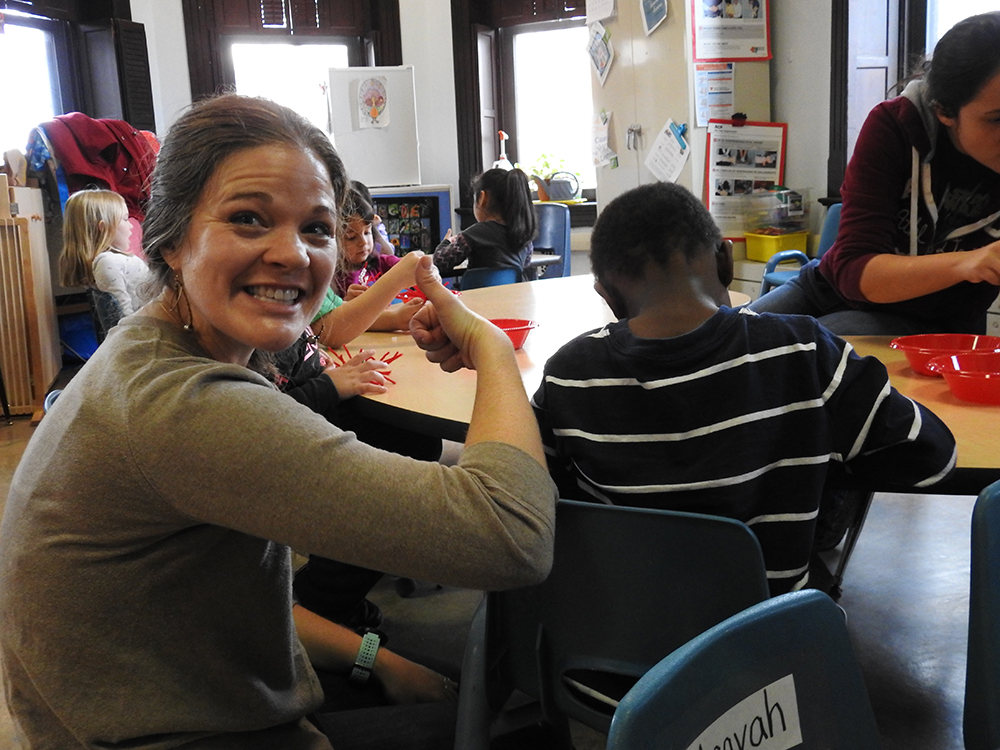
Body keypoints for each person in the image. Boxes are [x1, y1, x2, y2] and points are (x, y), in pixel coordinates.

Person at [0, 94, 556, 749]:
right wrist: (492, 347)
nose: (292, 254)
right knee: (520, 727)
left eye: (316, 228)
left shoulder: (147, 350)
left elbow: (220, 600)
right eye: (248, 218)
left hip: (142, 703)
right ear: (173, 240)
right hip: (166, 731)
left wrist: (378, 657)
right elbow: (512, 535)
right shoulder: (188, 405)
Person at [531, 182, 956, 596]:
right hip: (766, 646)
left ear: (606, 294)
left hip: (615, 645)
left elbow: (538, 500)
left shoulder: (568, 376)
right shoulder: (804, 351)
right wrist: (819, 460)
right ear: (726, 259)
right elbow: (932, 454)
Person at [750, 12, 1000, 335]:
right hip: (828, 288)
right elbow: (856, 270)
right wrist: (970, 262)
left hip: (929, 326)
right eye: (996, 120)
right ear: (943, 110)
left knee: (797, 357)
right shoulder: (894, 127)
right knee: (721, 339)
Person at [58, 188, 150, 319]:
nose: (130, 225)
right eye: (125, 219)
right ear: (103, 228)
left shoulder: (112, 260)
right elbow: (125, 317)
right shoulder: (107, 263)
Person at [432, 168, 537, 283]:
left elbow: (439, 263)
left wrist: (446, 242)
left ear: (482, 198)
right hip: (512, 298)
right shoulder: (524, 235)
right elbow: (526, 263)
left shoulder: (473, 234)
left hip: (475, 299)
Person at [334, 184, 400, 298]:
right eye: (352, 237)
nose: (363, 242)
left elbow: (408, 266)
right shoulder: (334, 280)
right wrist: (346, 304)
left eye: (367, 232)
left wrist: (422, 267)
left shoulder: (380, 263)